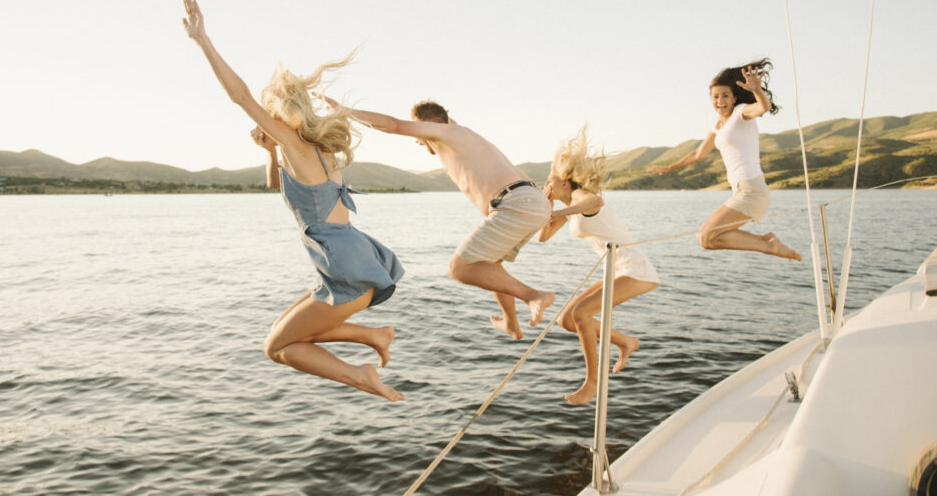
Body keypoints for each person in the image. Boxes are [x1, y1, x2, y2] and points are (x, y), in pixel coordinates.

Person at [181, 0, 405, 401]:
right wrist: (269, 152)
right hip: (347, 258)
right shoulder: (317, 151)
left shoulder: (298, 145)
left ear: (279, 114)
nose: (264, 120)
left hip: (346, 266)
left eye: (269, 114)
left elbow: (240, 96)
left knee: (277, 347)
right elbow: (276, 187)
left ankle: (361, 375)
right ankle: (373, 335)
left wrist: (203, 41)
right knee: (280, 333)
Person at [326, 97, 554, 340]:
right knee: (490, 265)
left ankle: (533, 296)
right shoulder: (457, 136)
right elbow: (438, 119)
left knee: (460, 269)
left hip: (516, 203)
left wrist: (345, 112)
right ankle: (511, 323)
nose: (417, 139)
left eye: (420, 131)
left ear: (431, 124)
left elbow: (393, 125)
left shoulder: (447, 132)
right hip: (531, 202)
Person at [540, 127, 659, 405]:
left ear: (565, 183)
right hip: (616, 270)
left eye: (549, 180)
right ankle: (625, 341)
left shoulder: (581, 197)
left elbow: (596, 201)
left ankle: (593, 382)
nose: (546, 184)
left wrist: (561, 210)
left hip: (634, 269)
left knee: (582, 313)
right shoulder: (569, 206)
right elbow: (543, 237)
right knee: (567, 320)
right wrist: (549, 207)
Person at [648, 59, 801, 261]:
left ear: (734, 98)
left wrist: (757, 90)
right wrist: (670, 167)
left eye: (725, 96)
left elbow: (763, 107)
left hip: (752, 191)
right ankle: (768, 242)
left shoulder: (741, 112)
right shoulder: (718, 125)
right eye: (716, 96)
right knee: (707, 239)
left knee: (706, 237)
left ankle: (770, 245)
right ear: (710, 99)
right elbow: (698, 153)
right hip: (740, 190)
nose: (720, 101)